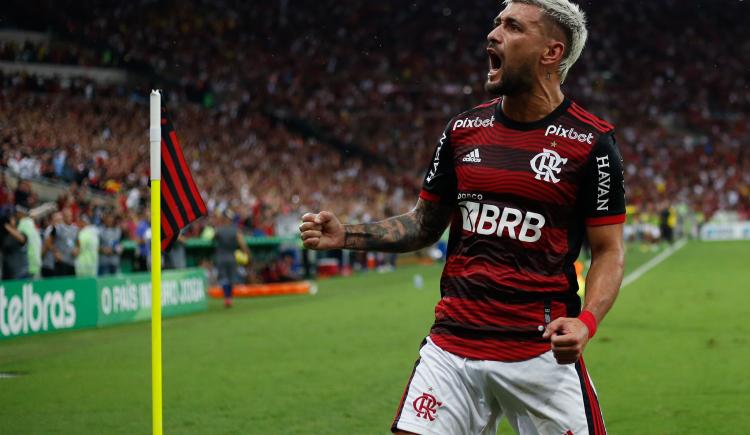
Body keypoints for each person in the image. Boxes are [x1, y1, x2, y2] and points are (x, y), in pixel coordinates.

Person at [299, 1, 626, 434]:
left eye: (512, 26)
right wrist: (347, 236)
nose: (493, 34)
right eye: (495, 23)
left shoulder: (591, 143)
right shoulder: (461, 131)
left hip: (539, 353)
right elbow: (424, 224)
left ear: (551, 52)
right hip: (453, 348)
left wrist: (587, 322)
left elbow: (608, 252)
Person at [213, 211, 250, 308]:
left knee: (224, 278)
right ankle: (229, 298)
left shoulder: (219, 230)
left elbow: (213, 239)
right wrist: (247, 253)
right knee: (231, 279)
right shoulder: (235, 230)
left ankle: (227, 298)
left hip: (221, 257)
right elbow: (242, 244)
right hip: (232, 257)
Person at [1, 207, 29, 280]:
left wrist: (6, 226)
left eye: (12, 217)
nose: (10, 220)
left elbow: (22, 239)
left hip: (21, 272)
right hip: (7, 273)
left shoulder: (20, 231)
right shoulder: (4, 236)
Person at [16, 206, 41, 279]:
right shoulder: (32, 225)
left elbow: (22, 242)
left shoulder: (22, 225)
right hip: (35, 262)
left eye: (17, 212)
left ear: (21, 213)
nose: (16, 214)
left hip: (26, 264)